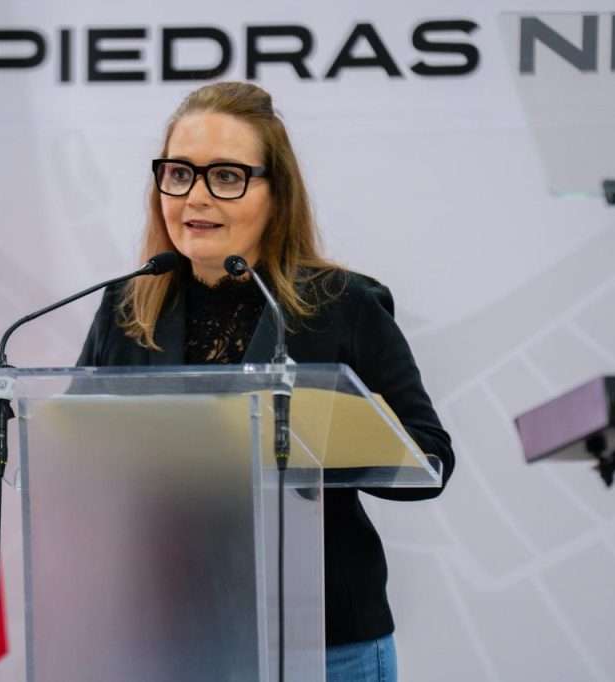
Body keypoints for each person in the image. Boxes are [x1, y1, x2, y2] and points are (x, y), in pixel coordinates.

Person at [77, 81, 454, 682]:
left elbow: (431, 459)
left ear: (276, 194)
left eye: (226, 176)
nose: (196, 197)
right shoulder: (127, 307)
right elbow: (75, 453)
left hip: (323, 640)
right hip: (172, 636)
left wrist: (314, 440)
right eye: (179, 173)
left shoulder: (342, 305)